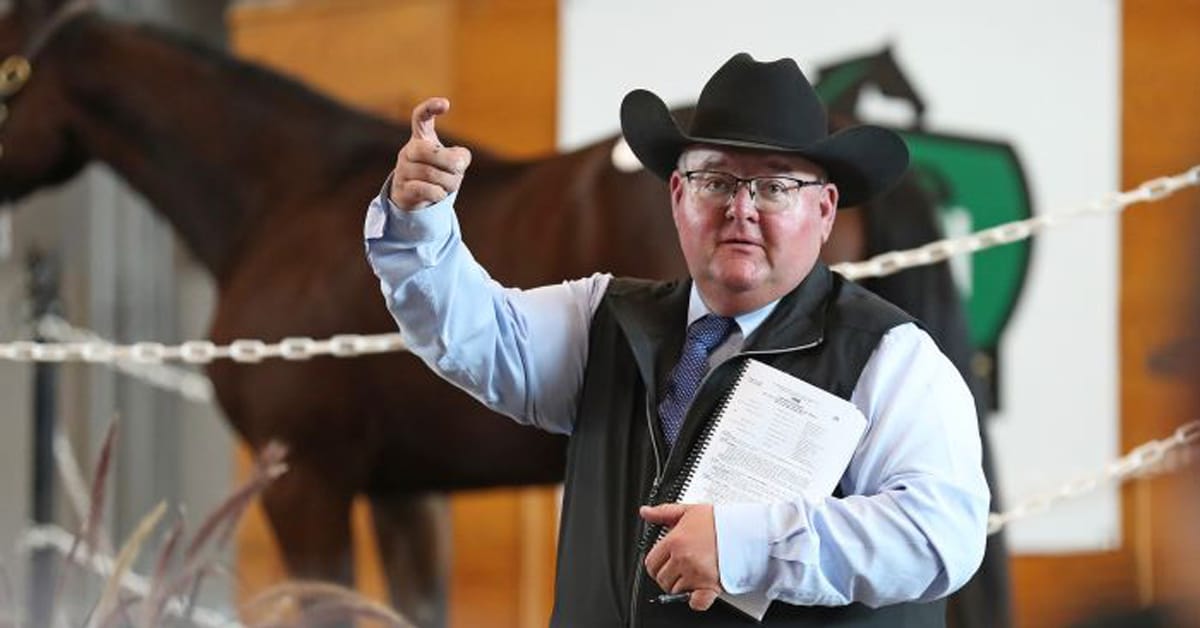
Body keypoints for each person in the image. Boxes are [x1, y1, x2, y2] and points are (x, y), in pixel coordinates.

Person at [365, 53, 990, 627]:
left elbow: (939, 537)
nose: (740, 209)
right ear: (677, 195)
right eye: (715, 181)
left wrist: (748, 545)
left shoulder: (890, 356)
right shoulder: (601, 317)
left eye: (775, 187)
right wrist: (418, 221)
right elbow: (469, 333)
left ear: (825, 213)